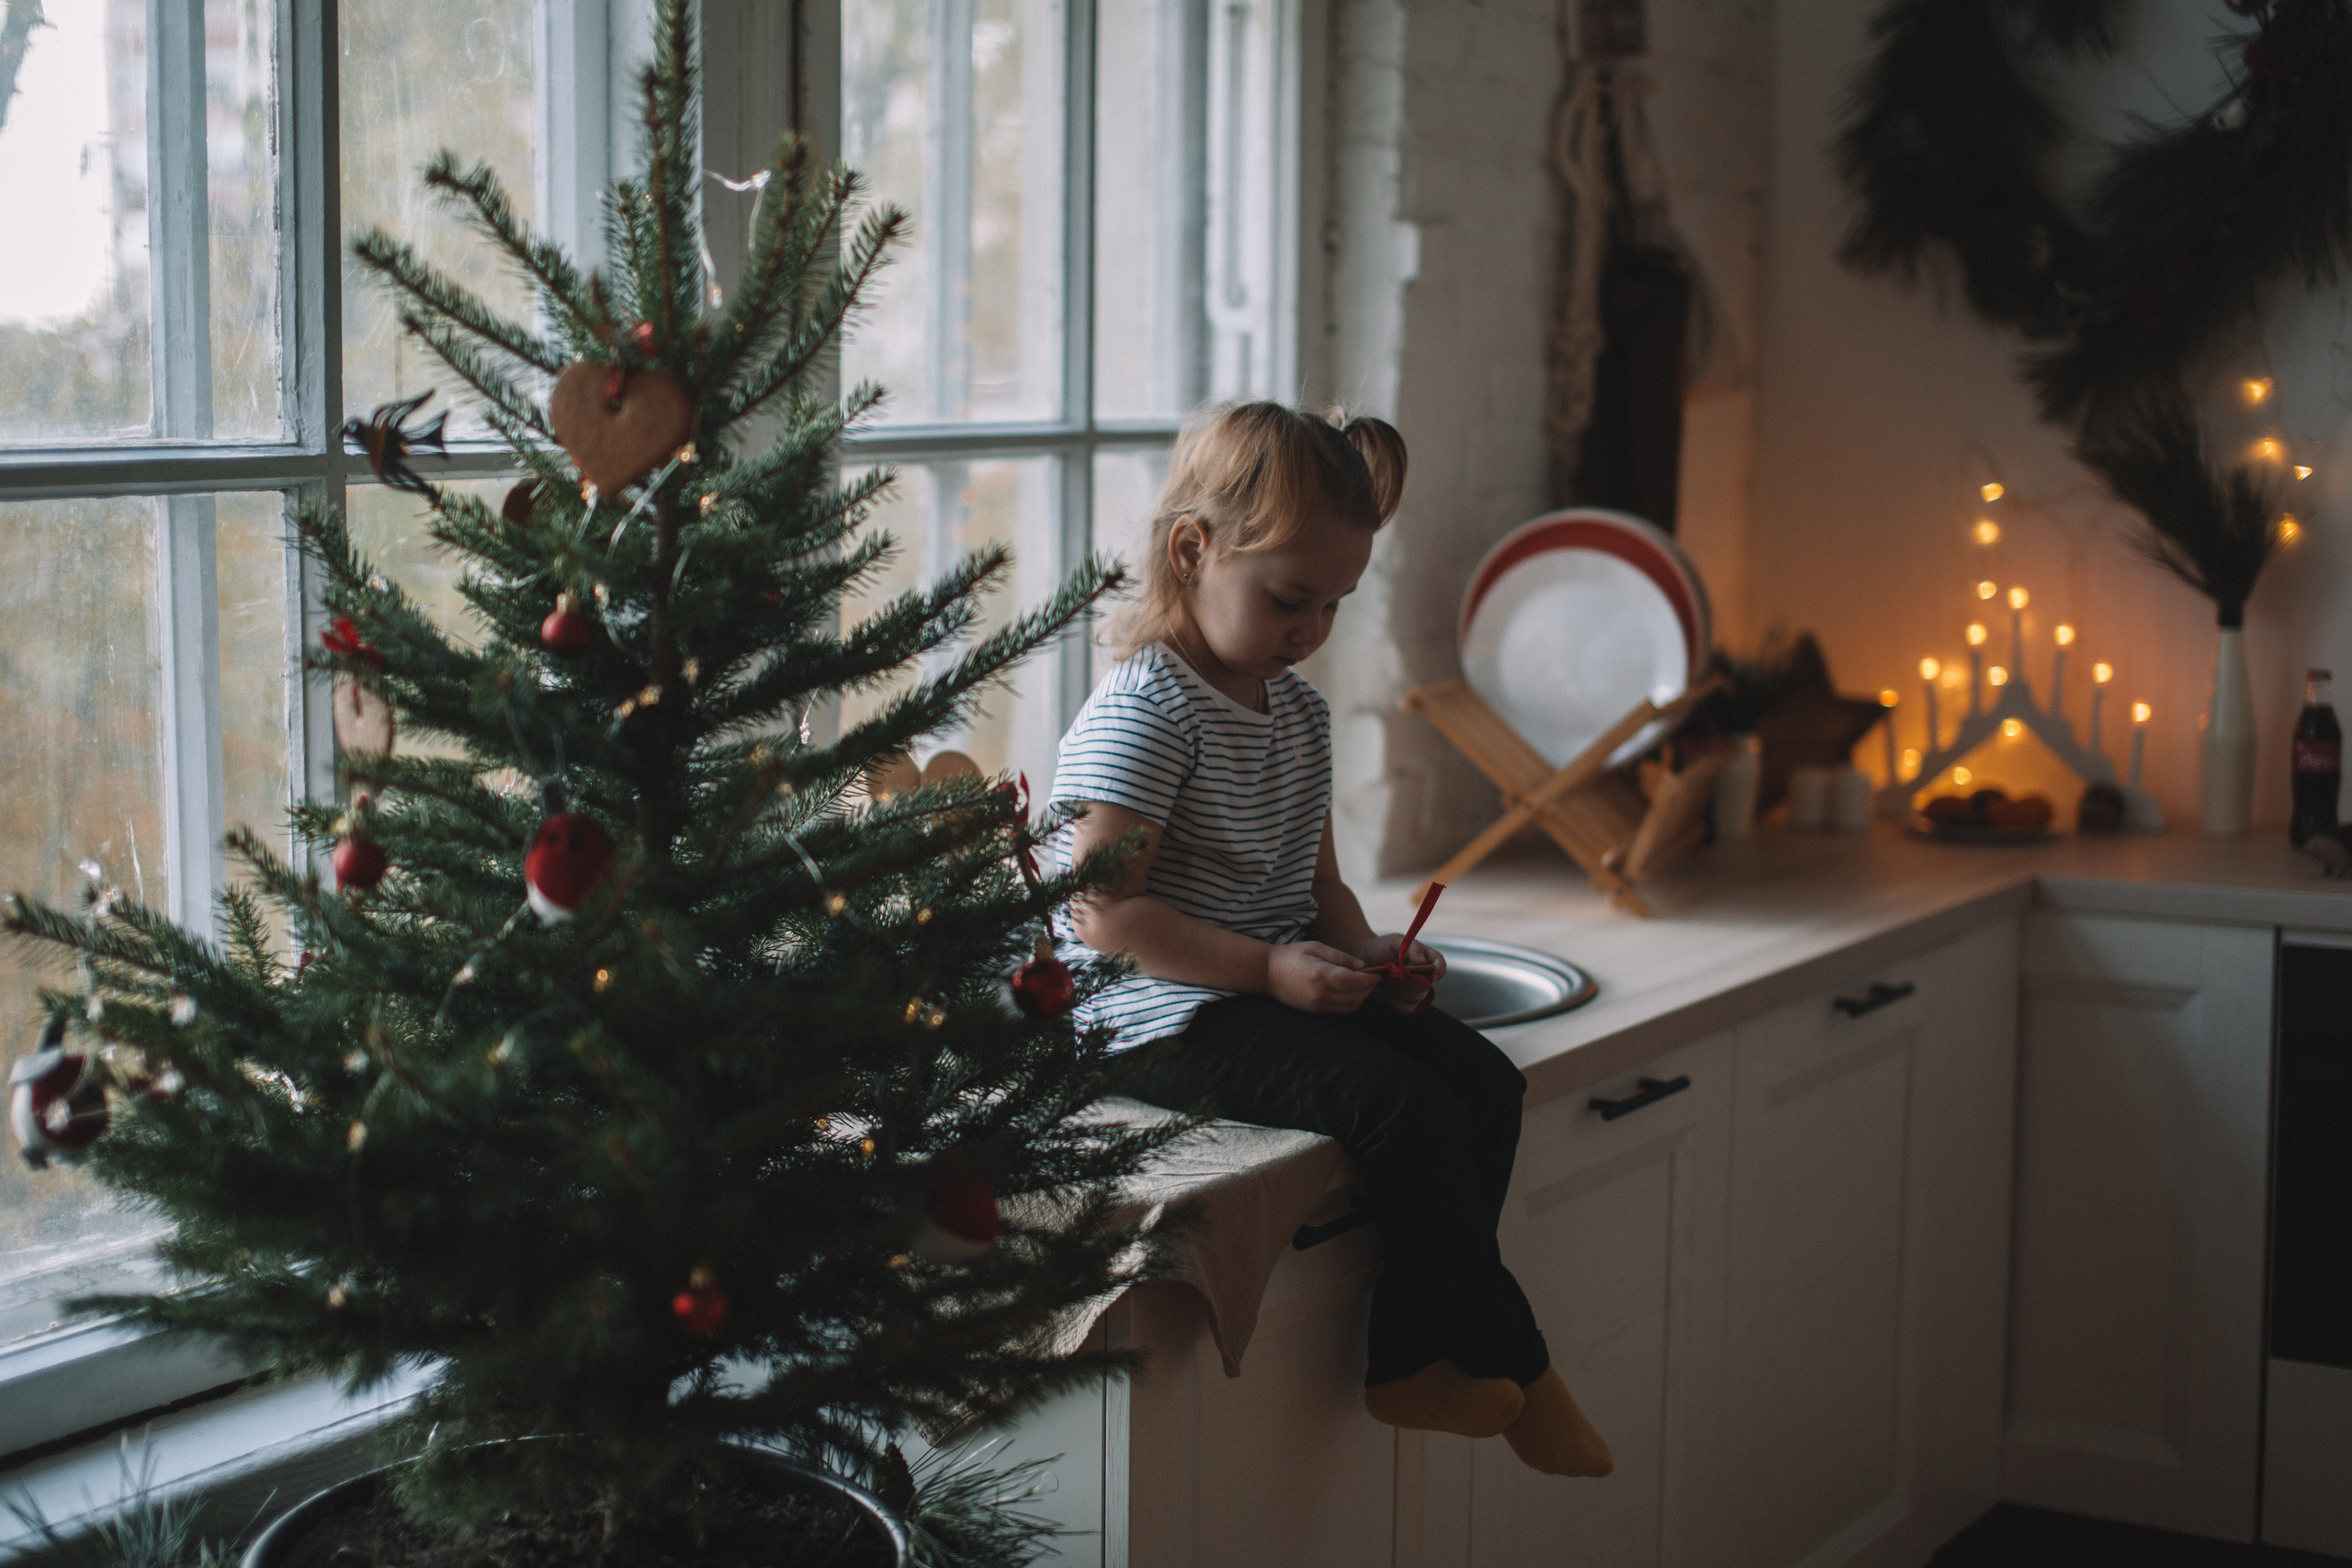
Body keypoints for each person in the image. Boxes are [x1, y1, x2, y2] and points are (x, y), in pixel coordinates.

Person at [1053, 401, 1613, 1478]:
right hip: (1141, 1014)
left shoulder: (1294, 714)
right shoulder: (1145, 712)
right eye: (1288, 600)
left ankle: (1410, 1362)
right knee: (1396, 1107)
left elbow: (1312, 885)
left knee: (1485, 1085)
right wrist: (1267, 967)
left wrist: (1370, 953)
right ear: (1191, 551)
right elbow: (1105, 917)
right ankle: (1514, 1361)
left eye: (1335, 605)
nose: (1311, 630)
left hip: (1245, 991)